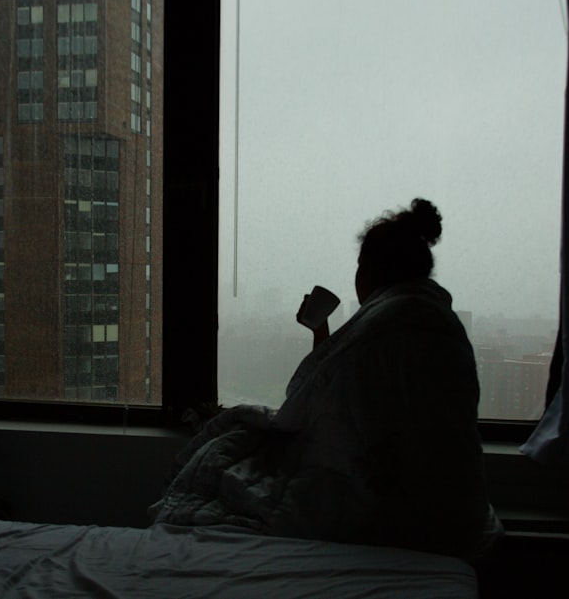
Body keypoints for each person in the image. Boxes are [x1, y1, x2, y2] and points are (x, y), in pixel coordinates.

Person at [152, 198, 501, 560]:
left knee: (234, 447)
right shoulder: (442, 323)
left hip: (382, 520)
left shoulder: (380, 326)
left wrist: (321, 336)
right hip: (456, 512)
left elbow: (299, 409)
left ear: (367, 270)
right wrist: (323, 335)